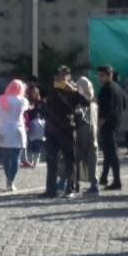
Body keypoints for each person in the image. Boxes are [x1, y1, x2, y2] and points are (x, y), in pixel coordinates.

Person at [41, 66, 90, 199]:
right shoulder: (51, 89)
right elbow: (43, 105)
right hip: (51, 130)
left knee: (70, 159)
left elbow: (87, 102)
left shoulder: (73, 90)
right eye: (59, 75)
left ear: (69, 77)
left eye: (64, 75)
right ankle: (51, 190)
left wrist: (74, 90)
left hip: (67, 129)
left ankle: (71, 188)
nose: (61, 78)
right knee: (51, 160)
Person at [0, 80, 30, 192]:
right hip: (17, 130)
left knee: (6, 157)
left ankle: (8, 178)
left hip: (3, 130)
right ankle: (11, 181)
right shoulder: (22, 100)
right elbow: (27, 109)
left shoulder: (0, 99)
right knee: (15, 157)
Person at [97, 65, 126, 190]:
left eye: (102, 75)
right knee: (108, 152)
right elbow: (124, 104)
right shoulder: (118, 88)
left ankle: (117, 181)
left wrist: (100, 123)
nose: (100, 78)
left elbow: (106, 109)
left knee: (112, 153)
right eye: (99, 75)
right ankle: (104, 176)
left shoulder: (106, 89)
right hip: (116, 123)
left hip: (108, 124)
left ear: (109, 75)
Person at [74, 77, 101, 195]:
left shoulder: (80, 103)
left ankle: (74, 183)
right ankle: (94, 184)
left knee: (76, 158)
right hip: (93, 133)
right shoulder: (94, 103)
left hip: (82, 132)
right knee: (92, 159)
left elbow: (78, 117)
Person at [23, 85, 45, 168]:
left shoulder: (40, 102)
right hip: (30, 123)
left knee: (38, 142)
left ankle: (35, 160)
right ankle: (30, 160)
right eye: (33, 92)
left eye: (35, 93)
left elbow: (44, 111)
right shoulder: (27, 102)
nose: (34, 94)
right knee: (30, 143)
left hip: (39, 124)